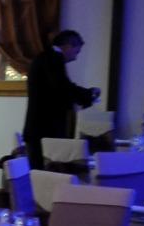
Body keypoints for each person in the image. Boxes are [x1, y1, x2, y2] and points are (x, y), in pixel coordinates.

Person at [22, 29, 100, 160]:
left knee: (41, 170)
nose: (76, 57)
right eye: (76, 52)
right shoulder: (53, 59)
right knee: (45, 171)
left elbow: (61, 88)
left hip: (39, 128)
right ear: (68, 46)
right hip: (44, 129)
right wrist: (89, 94)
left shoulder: (46, 57)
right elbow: (62, 88)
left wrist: (85, 95)